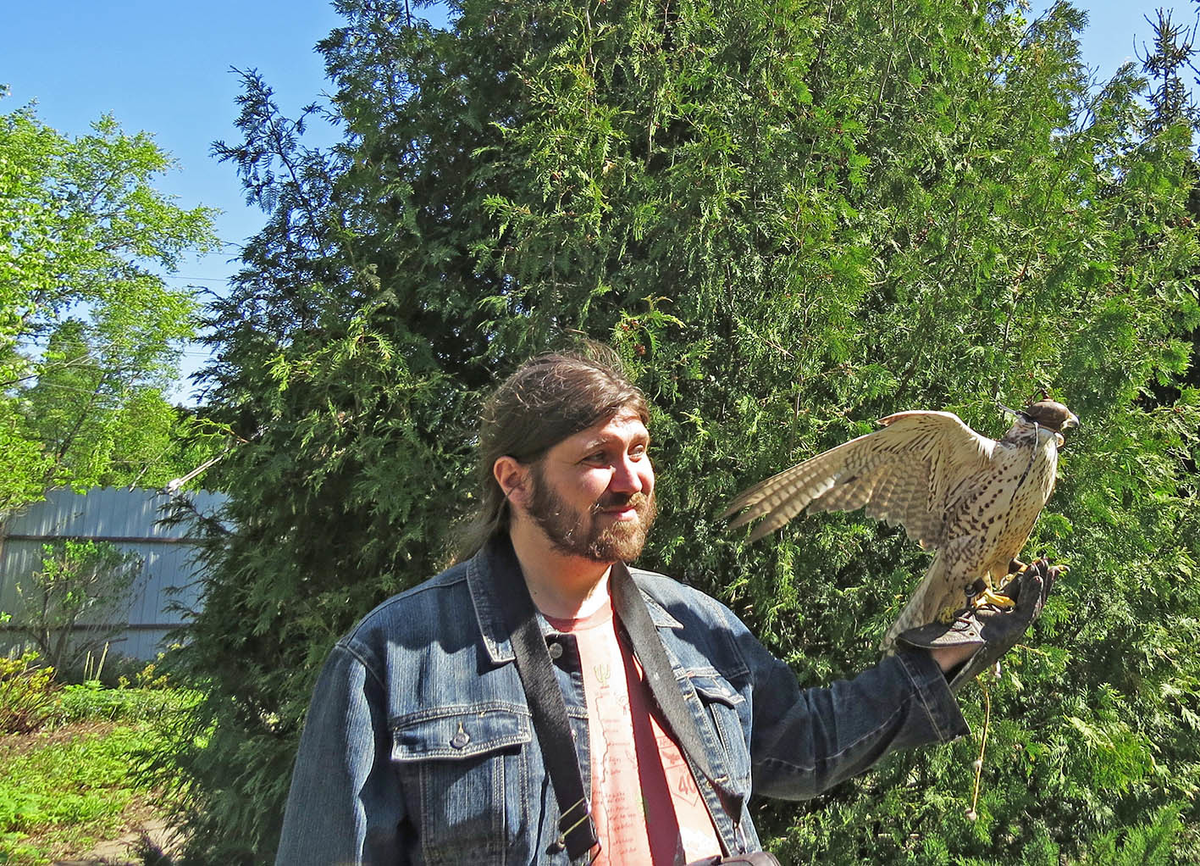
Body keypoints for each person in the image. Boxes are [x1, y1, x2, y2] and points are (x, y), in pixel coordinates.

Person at [275, 344, 1053, 865]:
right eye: (597, 458)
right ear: (514, 480)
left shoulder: (694, 628)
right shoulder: (392, 662)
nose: (631, 480)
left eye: (639, 452)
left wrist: (953, 648)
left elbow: (805, 749)